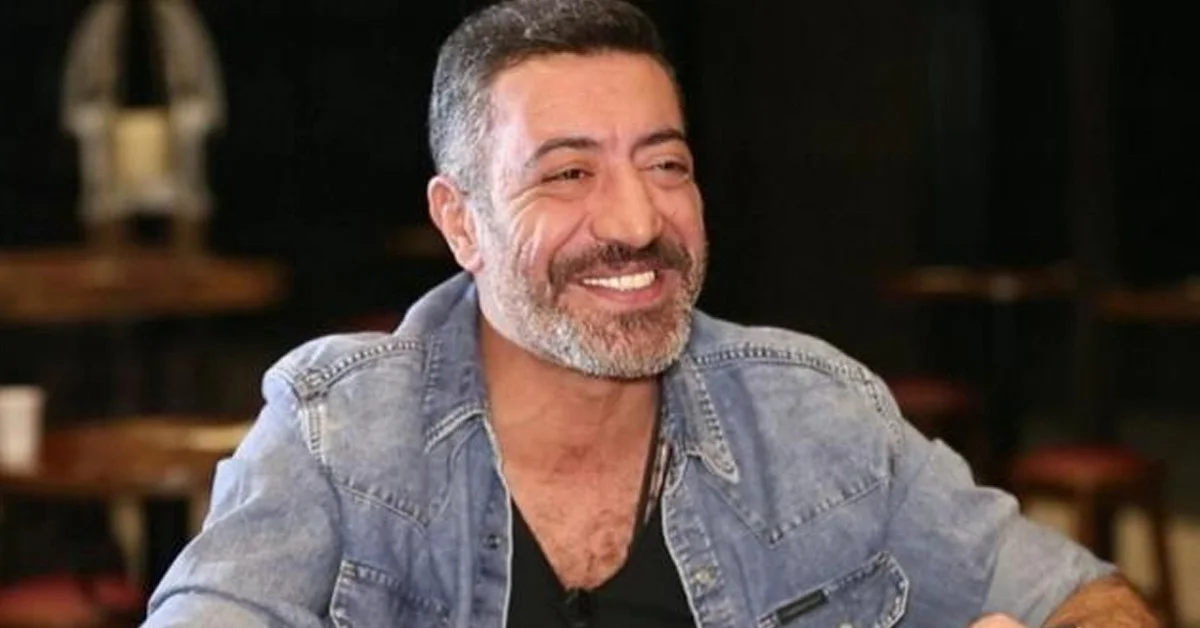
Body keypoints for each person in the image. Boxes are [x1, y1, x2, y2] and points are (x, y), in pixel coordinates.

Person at [143, 0, 1159, 626]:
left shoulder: (818, 416)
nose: (637, 222)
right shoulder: (338, 434)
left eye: (666, 164)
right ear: (461, 222)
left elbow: (1086, 598)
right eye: (568, 172)